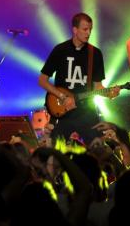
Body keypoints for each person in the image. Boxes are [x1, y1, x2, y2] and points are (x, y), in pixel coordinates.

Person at [38, 12, 118, 144]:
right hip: (63, 112)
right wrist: (63, 97)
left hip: (86, 112)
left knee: (97, 147)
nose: (88, 33)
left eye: (90, 29)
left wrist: (109, 93)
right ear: (75, 30)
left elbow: (98, 87)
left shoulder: (95, 53)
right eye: (85, 29)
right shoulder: (60, 50)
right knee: (56, 150)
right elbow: (42, 80)